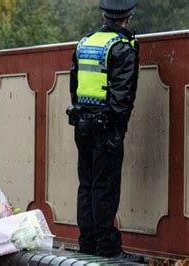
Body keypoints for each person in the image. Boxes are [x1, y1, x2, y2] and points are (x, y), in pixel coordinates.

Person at [67, 0, 143, 263]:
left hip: (82, 123)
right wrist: (117, 130)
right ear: (128, 18)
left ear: (104, 15)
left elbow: (74, 85)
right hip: (106, 127)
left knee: (86, 186)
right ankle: (108, 250)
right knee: (105, 189)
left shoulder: (85, 43)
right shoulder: (122, 48)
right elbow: (122, 99)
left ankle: (87, 245)